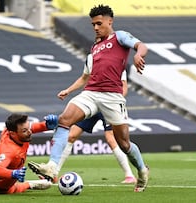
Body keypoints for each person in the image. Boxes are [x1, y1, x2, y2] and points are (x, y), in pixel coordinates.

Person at [28, 4, 149, 192]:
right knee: (64, 120)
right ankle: (52, 167)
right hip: (91, 93)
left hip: (112, 96)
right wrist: (68, 90)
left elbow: (141, 46)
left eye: (99, 23)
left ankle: (141, 171)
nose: (95, 28)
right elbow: (85, 77)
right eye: (93, 24)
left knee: (124, 144)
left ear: (110, 21)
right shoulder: (94, 48)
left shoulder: (120, 37)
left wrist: (138, 55)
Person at [53, 54, 136, 184]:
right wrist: (68, 90)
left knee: (111, 139)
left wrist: (115, 101)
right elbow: (83, 78)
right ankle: (54, 173)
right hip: (90, 102)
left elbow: (123, 86)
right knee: (71, 136)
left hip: (108, 103)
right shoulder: (91, 58)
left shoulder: (117, 60)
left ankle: (129, 175)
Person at [0, 113, 58, 194]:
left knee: (46, 183)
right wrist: (13, 173)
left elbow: (35, 127)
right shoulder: (9, 151)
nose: (30, 132)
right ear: (13, 133)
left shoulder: (16, 132)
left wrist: (47, 125)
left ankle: (34, 184)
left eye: (28, 128)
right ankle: (29, 184)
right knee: (12, 189)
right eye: (24, 131)